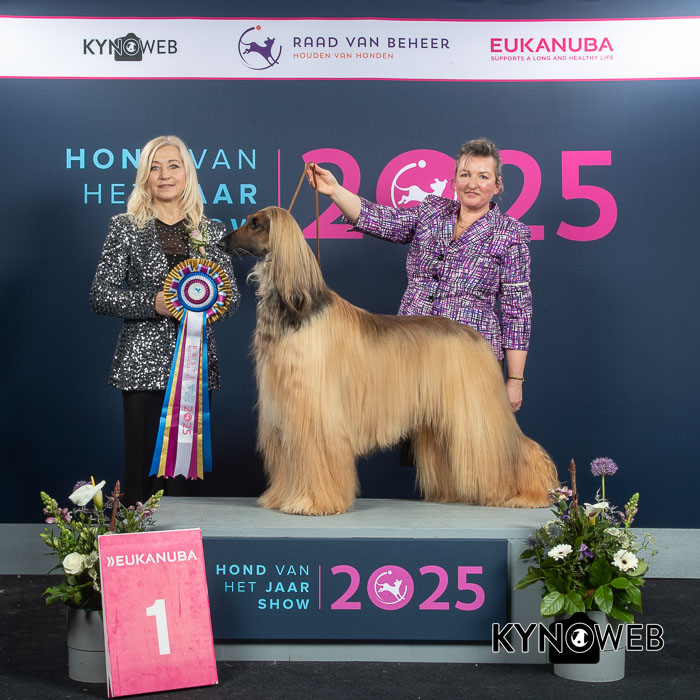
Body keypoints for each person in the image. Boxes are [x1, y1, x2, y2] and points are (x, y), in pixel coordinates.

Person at [307, 137, 531, 413]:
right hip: (411, 348)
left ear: (497, 185)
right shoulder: (431, 212)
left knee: (466, 439)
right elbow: (382, 220)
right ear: (454, 182)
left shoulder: (511, 234)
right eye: (465, 174)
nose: (472, 183)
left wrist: (515, 380)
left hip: (471, 356)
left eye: (483, 176)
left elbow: (517, 312)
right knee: (413, 434)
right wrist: (334, 191)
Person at [90, 135, 240, 504]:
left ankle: (184, 540)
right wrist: (151, 302)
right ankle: (138, 538)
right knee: (141, 475)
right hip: (140, 366)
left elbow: (232, 299)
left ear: (187, 174)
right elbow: (101, 294)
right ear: (145, 176)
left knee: (186, 477)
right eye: (155, 168)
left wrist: (209, 304)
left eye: (173, 166)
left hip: (195, 367)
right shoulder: (125, 226)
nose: (164, 175)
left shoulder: (212, 230)